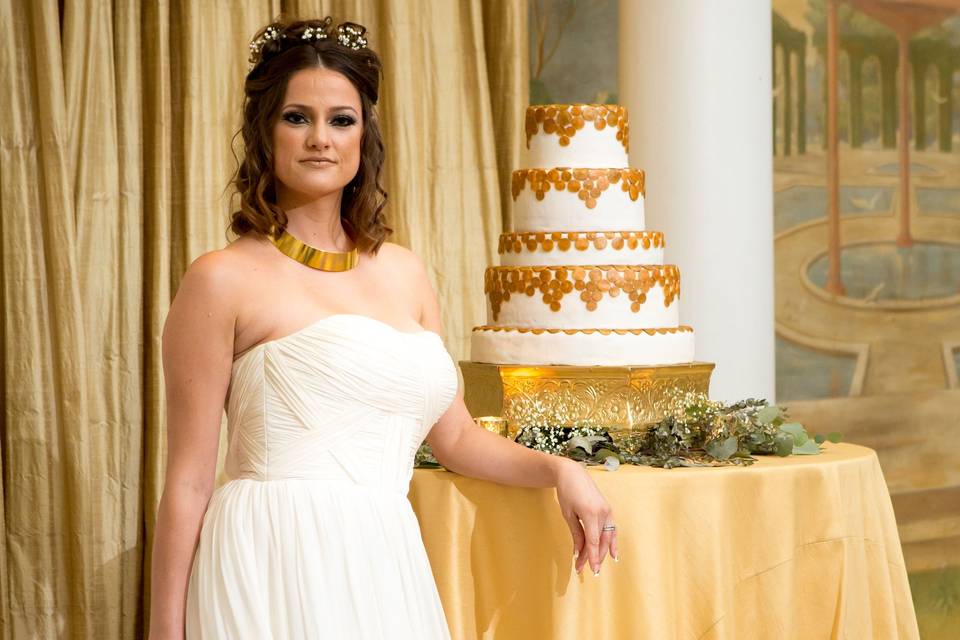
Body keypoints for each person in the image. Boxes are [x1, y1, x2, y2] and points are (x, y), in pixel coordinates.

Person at [148, 17, 618, 639]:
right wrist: (164, 629)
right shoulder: (221, 279)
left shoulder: (405, 272)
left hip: (385, 560)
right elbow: (186, 478)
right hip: (270, 558)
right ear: (264, 132)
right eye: (297, 117)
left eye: (341, 119)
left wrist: (561, 470)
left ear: (364, 135)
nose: (321, 138)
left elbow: (457, 441)